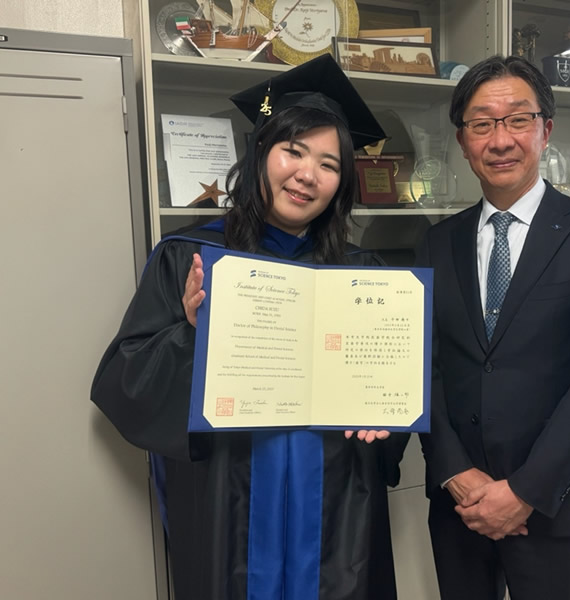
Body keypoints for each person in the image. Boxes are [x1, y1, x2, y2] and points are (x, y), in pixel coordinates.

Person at [91, 55, 408, 600]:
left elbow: (392, 390)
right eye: (293, 151)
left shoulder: (364, 275)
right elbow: (127, 382)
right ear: (260, 152)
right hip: (229, 499)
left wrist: (386, 417)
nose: (307, 174)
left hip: (336, 508)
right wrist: (192, 333)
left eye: (329, 164)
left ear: (341, 183)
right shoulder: (189, 257)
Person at [416, 55, 570, 599]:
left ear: (546, 130)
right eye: (481, 124)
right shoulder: (437, 243)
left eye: (518, 119)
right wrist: (453, 472)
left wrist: (524, 492)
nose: (500, 140)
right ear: (463, 141)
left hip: (555, 502)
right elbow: (423, 369)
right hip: (460, 503)